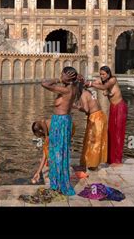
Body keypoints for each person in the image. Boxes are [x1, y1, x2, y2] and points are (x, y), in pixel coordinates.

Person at [41, 66, 78, 196]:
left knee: (56, 152)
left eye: (62, 74)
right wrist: (65, 79)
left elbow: (44, 83)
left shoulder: (66, 90)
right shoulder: (73, 88)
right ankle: (60, 181)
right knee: (61, 152)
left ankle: (57, 183)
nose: (60, 76)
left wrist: (58, 79)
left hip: (60, 122)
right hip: (65, 120)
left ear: (67, 77)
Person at [86, 66, 128, 167]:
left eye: (104, 74)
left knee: (118, 133)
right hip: (113, 108)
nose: (102, 76)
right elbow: (97, 82)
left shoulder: (113, 79)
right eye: (101, 74)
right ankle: (111, 159)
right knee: (111, 132)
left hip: (120, 108)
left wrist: (91, 84)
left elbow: (104, 87)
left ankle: (117, 160)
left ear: (108, 74)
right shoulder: (102, 80)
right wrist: (87, 82)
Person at [73, 78, 108, 170]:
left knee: (93, 141)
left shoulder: (83, 94)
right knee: (91, 140)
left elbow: (86, 109)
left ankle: (93, 165)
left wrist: (76, 107)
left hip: (96, 118)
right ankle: (87, 163)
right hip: (99, 116)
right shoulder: (88, 92)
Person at [31, 119, 76, 184]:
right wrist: (38, 172)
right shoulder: (48, 132)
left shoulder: (50, 131)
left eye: (39, 135)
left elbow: (42, 121)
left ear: (40, 131)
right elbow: (44, 155)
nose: (40, 137)